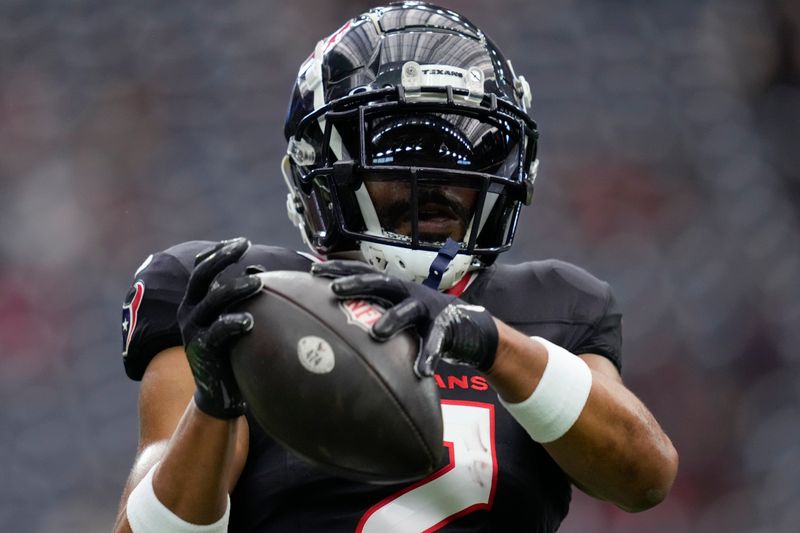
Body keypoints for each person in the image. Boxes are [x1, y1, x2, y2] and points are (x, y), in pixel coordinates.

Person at [113, 2, 678, 532]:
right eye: (399, 148)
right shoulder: (240, 292)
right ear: (323, 164)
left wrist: (492, 343)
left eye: (468, 150)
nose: (433, 179)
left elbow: (645, 477)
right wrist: (213, 405)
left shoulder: (553, 307)